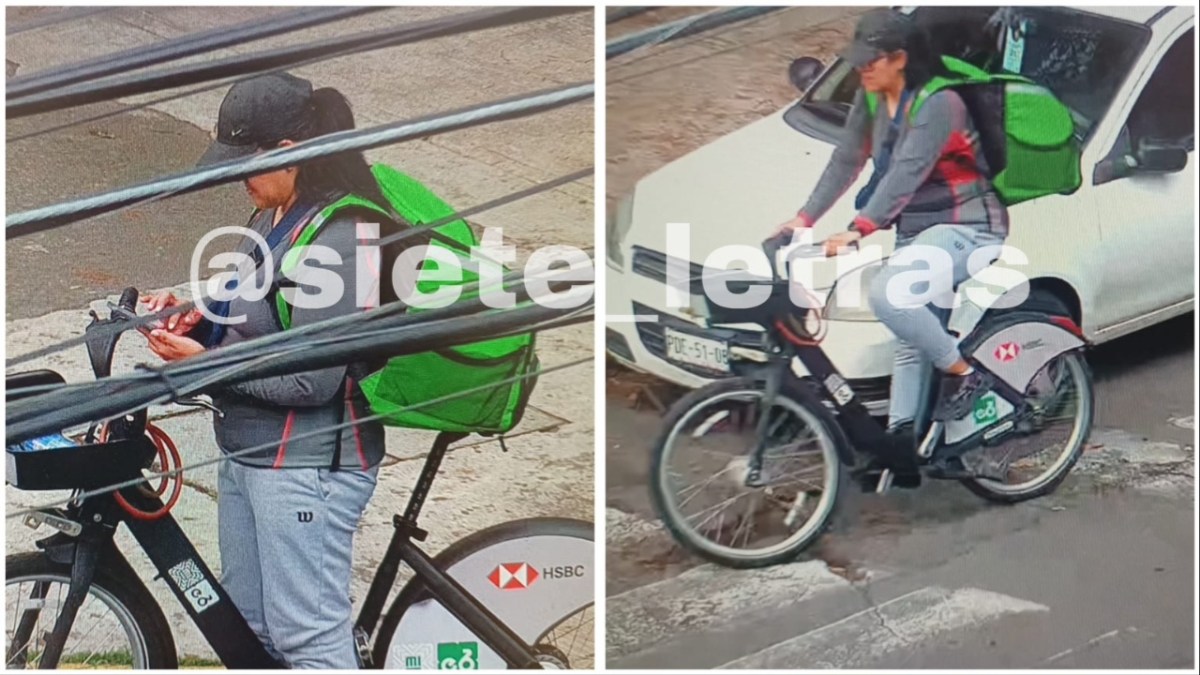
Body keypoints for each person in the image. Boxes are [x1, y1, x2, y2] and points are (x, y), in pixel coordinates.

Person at [141, 72, 406, 668]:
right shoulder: (274, 214)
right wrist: (191, 316)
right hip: (253, 453)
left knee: (307, 641)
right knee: (248, 630)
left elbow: (310, 379)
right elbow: (255, 317)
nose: (237, 180)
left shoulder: (342, 237)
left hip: (310, 465)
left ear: (290, 153)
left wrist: (208, 365)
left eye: (246, 165)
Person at [775, 9, 1008, 459]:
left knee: (891, 296)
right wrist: (803, 218)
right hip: (919, 229)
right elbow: (847, 158)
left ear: (900, 58)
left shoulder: (940, 103)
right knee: (911, 341)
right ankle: (903, 446)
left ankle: (967, 374)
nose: (862, 68)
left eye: (871, 60)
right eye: (858, 59)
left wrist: (858, 229)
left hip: (970, 228)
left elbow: (906, 173)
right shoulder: (872, 94)